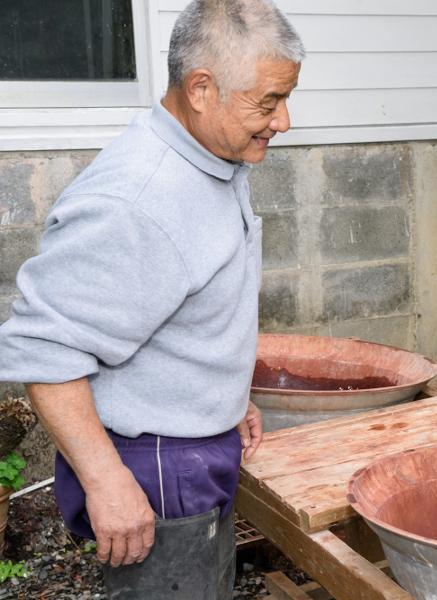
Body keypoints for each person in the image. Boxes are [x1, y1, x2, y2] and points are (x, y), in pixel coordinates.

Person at [0, 1, 303, 597]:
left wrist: (223, 393)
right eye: (268, 102)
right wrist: (106, 479)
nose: (284, 120)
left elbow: (188, 302)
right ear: (201, 89)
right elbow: (42, 351)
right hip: (157, 471)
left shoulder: (211, 159)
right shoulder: (138, 199)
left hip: (194, 453)